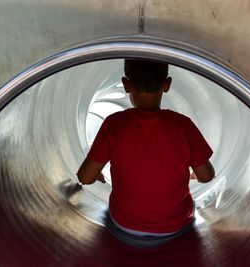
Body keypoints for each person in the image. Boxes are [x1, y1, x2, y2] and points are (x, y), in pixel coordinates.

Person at [76, 59, 215, 248]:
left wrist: (97, 174)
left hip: (124, 226)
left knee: (102, 215)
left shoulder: (115, 124)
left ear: (126, 85)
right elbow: (207, 176)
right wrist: (190, 175)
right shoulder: (183, 125)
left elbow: (85, 177)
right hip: (176, 228)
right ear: (167, 85)